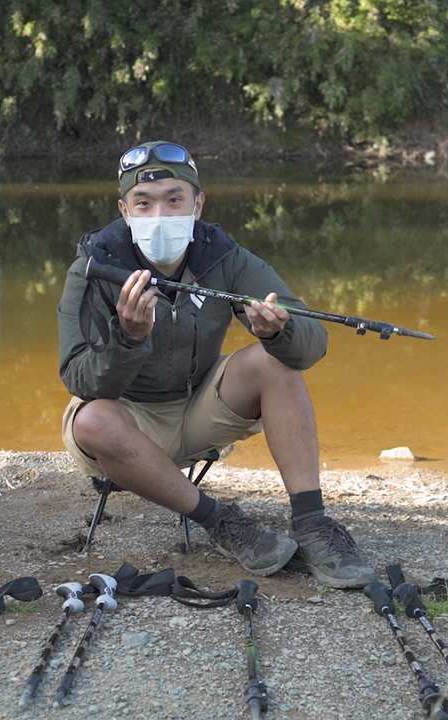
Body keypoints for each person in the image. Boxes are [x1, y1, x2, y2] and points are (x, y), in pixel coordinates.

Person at [56, 141, 375, 588]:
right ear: (125, 212)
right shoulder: (93, 266)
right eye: (144, 204)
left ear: (197, 203)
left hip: (201, 406)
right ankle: (222, 522)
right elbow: (77, 376)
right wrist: (127, 339)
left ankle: (313, 524)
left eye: (174, 200)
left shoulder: (224, 256)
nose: (160, 216)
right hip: (128, 421)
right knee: (91, 419)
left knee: (276, 362)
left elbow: (312, 344)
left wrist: (277, 332)